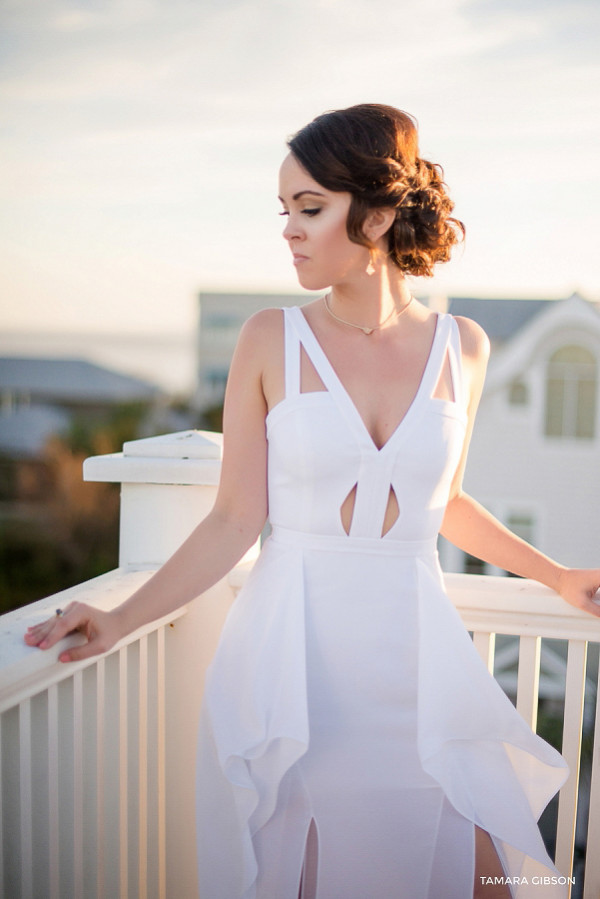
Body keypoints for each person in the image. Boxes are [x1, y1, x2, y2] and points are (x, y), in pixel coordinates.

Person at [25, 104, 600, 899]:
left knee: (483, 873)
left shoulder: (463, 346)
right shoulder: (269, 338)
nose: (289, 230)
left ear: (381, 211)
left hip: (418, 658)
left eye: (311, 208)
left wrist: (557, 576)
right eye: (286, 211)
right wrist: (120, 618)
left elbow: (448, 503)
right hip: (296, 665)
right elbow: (233, 518)